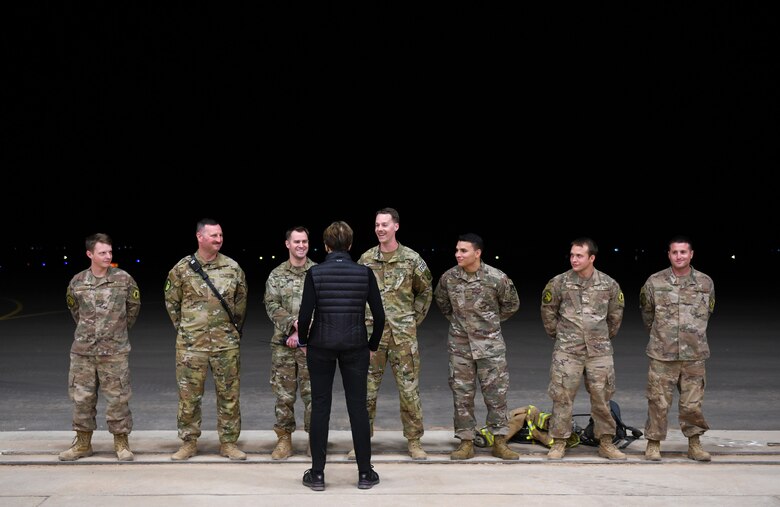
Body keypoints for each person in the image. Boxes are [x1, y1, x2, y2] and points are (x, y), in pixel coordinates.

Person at [296, 221, 385, 491]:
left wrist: (303, 342)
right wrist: (371, 345)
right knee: (358, 407)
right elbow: (379, 316)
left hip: (321, 346)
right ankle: (365, 473)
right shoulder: (364, 273)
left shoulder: (315, 273)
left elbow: (304, 315)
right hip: (355, 346)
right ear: (349, 245)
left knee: (321, 407)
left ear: (325, 246)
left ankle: (318, 474)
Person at [164, 218, 248, 461]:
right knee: (189, 396)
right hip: (192, 346)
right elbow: (172, 302)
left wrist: (228, 331)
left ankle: (229, 443)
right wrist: (187, 329)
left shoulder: (232, 268)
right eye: (214, 236)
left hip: (226, 344)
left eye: (221, 235)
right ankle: (189, 443)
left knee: (229, 395)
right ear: (200, 237)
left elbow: (240, 304)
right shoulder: (182, 269)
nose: (219, 239)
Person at [433, 233, 520, 460]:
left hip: (490, 346)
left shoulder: (496, 278)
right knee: (462, 395)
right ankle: (466, 442)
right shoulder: (449, 278)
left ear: (477, 253)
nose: (458, 255)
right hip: (460, 346)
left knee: (496, 395)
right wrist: (462, 324)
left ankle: (499, 441)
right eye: (457, 250)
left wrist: (488, 323)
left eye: (463, 251)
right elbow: (442, 303)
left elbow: (511, 304)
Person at [355, 207, 433, 460]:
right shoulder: (366, 260)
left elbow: (425, 292)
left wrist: (411, 320)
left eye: (385, 224)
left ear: (396, 227)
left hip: (403, 338)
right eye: (377, 224)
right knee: (365, 391)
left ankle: (414, 441)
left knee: (409, 391)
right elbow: (355, 293)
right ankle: (362, 440)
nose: (380, 229)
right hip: (371, 339)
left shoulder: (411, 259)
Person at [540, 237, 626, 460]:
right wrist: (561, 336)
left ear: (592, 258)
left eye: (579, 255)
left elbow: (615, 317)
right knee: (562, 396)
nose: (574, 259)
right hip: (567, 351)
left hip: (599, 352)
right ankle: (559, 441)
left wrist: (601, 337)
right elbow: (548, 312)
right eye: (572, 255)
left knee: (602, 397)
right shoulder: (558, 283)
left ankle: (606, 442)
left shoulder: (609, 284)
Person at [59, 233, 141, 462]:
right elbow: (75, 311)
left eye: (110, 252)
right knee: (81, 398)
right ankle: (83, 443)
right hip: (83, 351)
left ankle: (121, 443)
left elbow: (133, 308)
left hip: (114, 351)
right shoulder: (77, 282)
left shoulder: (124, 279)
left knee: (118, 398)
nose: (108, 256)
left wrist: (116, 333)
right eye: (102, 252)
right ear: (90, 254)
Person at [639, 235, 715, 462]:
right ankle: (653, 444)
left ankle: (694, 443)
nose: (679, 256)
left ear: (691, 254)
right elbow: (647, 314)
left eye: (683, 252)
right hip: (663, 354)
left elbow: (708, 312)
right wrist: (663, 336)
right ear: (669, 255)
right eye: (674, 252)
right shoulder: (655, 282)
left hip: (694, 354)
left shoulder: (705, 282)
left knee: (692, 404)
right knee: (658, 401)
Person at [263, 226, 316, 459]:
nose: (301, 245)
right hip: (283, 344)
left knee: (314, 395)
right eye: (296, 241)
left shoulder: (317, 272)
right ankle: (284, 439)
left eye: (304, 241)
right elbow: (272, 305)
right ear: (288, 244)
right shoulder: (276, 275)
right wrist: (295, 326)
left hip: (311, 345)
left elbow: (323, 306)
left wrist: (303, 332)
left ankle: (315, 440)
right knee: (283, 395)